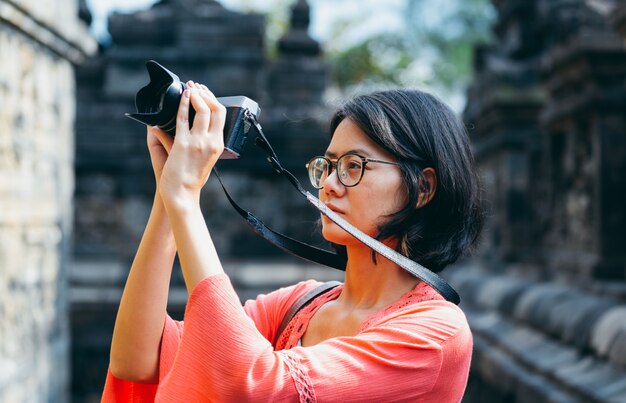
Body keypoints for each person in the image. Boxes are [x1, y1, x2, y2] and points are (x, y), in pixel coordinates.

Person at [102, 82, 483, 402]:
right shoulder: (298, 304)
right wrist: (168, 198)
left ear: (423, 188)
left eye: (355, 166)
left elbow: (254, 385)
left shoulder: (435, 333)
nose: (330, 185)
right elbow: (136, 359)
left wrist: (186, 198)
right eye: (328, 166)